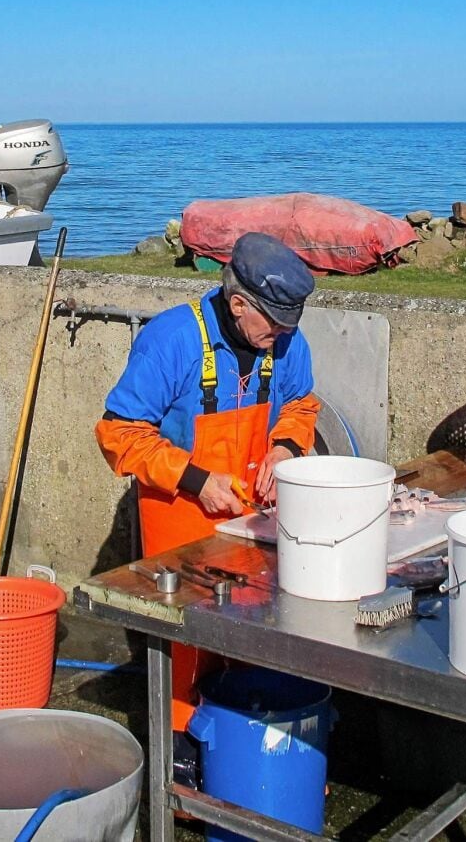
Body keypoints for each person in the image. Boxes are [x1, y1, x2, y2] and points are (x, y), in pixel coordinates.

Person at [95, 231, 319, 784]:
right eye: (274, 324)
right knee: (186, 641)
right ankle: (178, 744)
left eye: (290, 325)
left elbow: (302, 404)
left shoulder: (288, 341)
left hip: (251, 519)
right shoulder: (169, 341)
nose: (283, 336)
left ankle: (243, 734)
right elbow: (119, 433)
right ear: (239, 304)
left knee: (252, 629)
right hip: (180, 514)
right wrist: (195, 479)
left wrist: (286, 447)